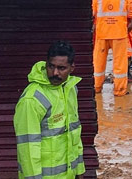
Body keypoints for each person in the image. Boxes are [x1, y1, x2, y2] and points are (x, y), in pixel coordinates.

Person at [15, 41, 86, 179]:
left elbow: (74, 135)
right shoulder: (32, 99)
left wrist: (79, 170)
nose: (55, 73)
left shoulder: (70, 89)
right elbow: (28, 149)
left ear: (72, 68)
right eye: (51, 66)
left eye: (61, 68)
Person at [93, 0, 132, 96]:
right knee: (120, 64)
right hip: (119, 34)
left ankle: (96, 87)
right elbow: (131, 12)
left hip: (102, 34)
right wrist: (130, 24)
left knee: (98, 62)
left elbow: (93, 13)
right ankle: (119, 90)